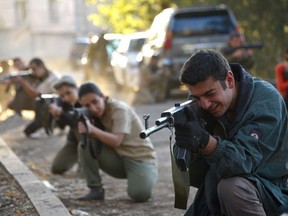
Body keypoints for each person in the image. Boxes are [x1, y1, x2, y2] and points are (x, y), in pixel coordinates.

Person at [174, 49, 288, 215]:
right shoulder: (201, 105)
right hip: (215, 191)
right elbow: (197, 177)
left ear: (229, 80)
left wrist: (205, 142)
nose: (205, 104)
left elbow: (242, 162)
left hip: (272, 192)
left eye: (210, 94)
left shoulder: (266, 101)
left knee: (232, 187)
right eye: (197, 97)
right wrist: (187, 144)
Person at [76, 82, 158, 202]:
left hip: (140, 158)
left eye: (95, 102)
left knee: (139, 195)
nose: (92, 108)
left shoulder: (119, 109)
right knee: (85, 144)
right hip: (119, 157)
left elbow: (116, 141)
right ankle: (95, 189)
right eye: (87, 106)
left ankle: (144, 176)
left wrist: (92, 129)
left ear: (103, 97)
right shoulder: (92, 114)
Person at [15, 58, 59, 137]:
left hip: (51, 109)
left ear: (42, 66)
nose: (32, 72)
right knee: (27, 131)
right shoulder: (39, 77)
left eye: (34, 69)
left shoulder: (52, 79)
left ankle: (51, 126)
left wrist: (23, 82)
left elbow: (36, 94)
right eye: (31, 69)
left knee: (28, 131)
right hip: (42, 108)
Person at [48, 75, 82, 174]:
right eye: (62, 96)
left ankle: (87, 163)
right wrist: (56, 113)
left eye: (68, 93)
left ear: (76, 88)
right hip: (75, 141)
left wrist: (62, 114)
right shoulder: (65, 103)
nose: (66, 98)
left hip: (92, 139)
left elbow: (78, 124)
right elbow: (62, 126)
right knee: (57, 168)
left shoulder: (86, 99)